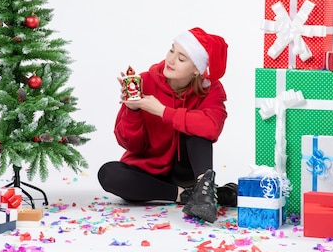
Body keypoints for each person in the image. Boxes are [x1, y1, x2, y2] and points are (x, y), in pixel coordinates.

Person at [97, 27, 237, 223]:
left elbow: (212, 127)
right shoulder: (145, 81)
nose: (171, 60)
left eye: (181, 58)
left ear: (197, 69)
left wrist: (162, 111)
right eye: (172, 50)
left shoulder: (211, 90)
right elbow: (131, 146)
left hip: (186, 172)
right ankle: (194, 195)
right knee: (109, 174)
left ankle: (203, 193)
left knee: (198, 126)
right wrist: (133, 110)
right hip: (149, 173)